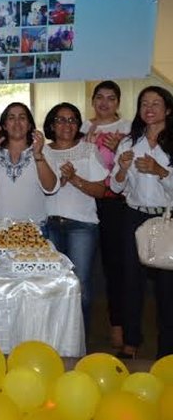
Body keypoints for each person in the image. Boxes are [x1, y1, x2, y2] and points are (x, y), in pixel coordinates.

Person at [110, 86, 173, 359]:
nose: (149, 108)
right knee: (130, 282)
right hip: (134, 216)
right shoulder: (128, 143)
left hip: (167, 218)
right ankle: (131, 341)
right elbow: (115, 185)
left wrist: (161, 172)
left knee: (167, 289)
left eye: (156, 103)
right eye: (144, 103)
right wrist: (122, 169)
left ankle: (167, 350)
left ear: (168, 109)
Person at [42, 102, 108, 330]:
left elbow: (101, 190)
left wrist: (75, 179)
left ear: (78, 124)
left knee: (81, 288)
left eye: (72, 120)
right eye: (61, 119)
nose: (66, 124)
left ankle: (79, 340)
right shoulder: (43, 152)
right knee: (52, 287)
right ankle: (56, 336)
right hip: (49, 226)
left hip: (82, 227)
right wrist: (58, 181)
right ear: (52, 124)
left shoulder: (88, 150)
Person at [80, 80, 132, 349]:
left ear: (118, 103)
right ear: (92, 101)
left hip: (115, 204)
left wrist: (118, 149)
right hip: (83, 200)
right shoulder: (80, 127)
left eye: (111, 98)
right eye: (99, 97)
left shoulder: (127, 130)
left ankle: (118, 326)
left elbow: (130, 167)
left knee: (115, 268)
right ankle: (76, 327)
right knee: (80, 269)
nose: (104, 103)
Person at [0, 103, 58, 221]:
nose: (17, 122)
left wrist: (38, 156)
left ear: (29, 125)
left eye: (22, 118)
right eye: (11, 118)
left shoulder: (44, 151)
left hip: (34, 229)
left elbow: (50, 188)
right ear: (4, 125)